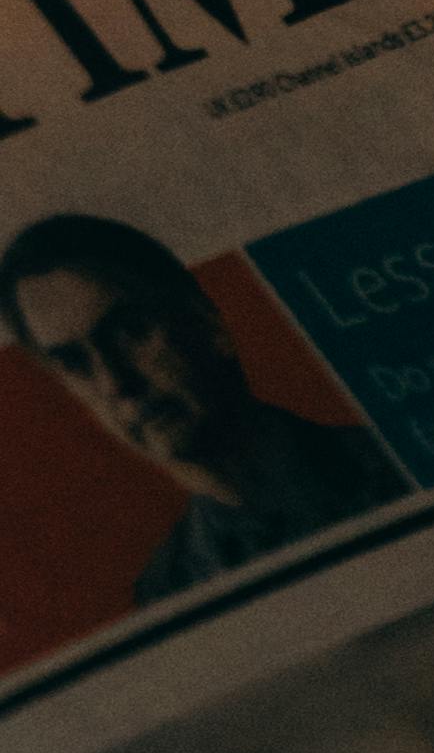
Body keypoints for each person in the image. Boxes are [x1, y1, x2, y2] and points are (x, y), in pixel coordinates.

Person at [0, 211, 397, 606]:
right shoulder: (165, 590)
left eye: (131, 331)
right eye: (75, 362)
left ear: (208, 324)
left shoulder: (390, 462)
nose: (115, 382)